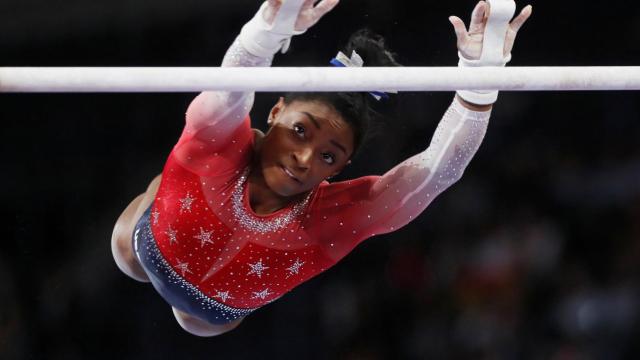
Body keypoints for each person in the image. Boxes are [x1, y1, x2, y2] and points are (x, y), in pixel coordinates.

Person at [111, 0, 532, 337]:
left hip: (212, 313)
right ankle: (162, 189)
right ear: (275, 110)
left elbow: (437, 171)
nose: (305, 158)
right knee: (130, 256)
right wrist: (265, 33)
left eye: (329, 156)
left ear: (342, 167)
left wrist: (480, 82)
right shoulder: (216, 146)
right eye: (299, 130)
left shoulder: (336, 217)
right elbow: (229, 90)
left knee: (195, 323)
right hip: (146, 243)